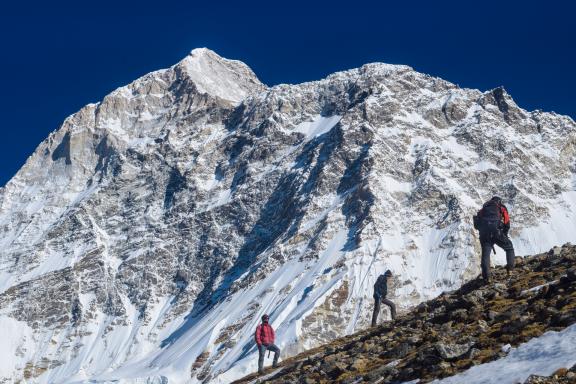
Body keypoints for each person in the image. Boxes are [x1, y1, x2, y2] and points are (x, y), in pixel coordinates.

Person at [474, 196, 515, 283]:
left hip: (484, 234)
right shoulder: (501, 207)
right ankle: (510, 270)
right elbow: (507, 222)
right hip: (497, 232)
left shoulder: (484, 209)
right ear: (499, 201)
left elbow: (477, 224)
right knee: (509, 248)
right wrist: (504, 234)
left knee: (486, 255)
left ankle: (487, 277)